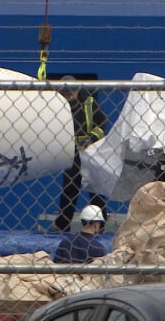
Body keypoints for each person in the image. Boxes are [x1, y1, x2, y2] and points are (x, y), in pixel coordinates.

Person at [54, 75, 108, 232]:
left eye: (71, 93)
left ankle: (100, 226)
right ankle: (62, 226)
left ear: (77, 90)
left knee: (95, 189)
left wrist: (91, 138)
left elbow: (102, 123)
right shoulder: (58, 106)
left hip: (90, 151)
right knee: (70, 189)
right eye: (65, 94)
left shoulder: (89, 103)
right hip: (72, 152)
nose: (69, 96)